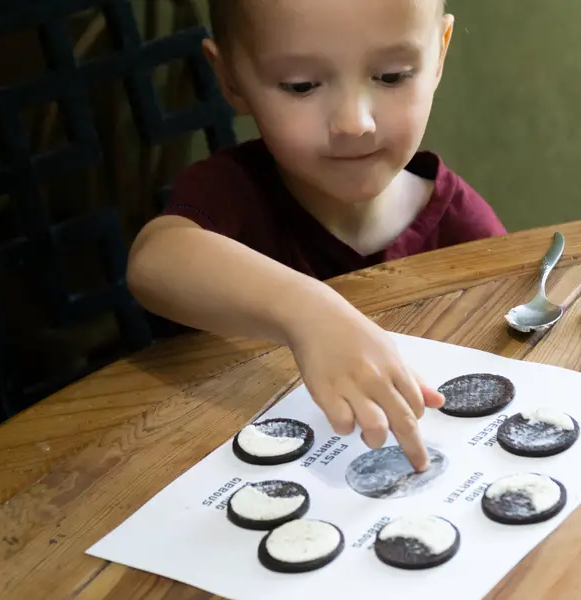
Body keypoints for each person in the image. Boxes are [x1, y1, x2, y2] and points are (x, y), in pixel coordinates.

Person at [126, 0, 506, 472]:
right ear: (230, 79)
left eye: (391, 76)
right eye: (301, 86)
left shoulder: (463, 228)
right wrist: (308, 313)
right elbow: (154, 261)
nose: (355, 122)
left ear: (438, 58)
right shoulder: (231, 194)